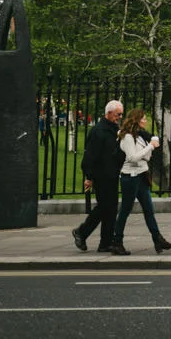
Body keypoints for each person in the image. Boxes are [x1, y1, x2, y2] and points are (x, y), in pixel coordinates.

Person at [111, 109, 171, 255]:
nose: (146, 121)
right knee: (125, 211)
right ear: (137, 120)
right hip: (130, 177)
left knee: (149, 210)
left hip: (141, 175)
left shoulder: (139, 136)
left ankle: (158, 239)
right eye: (144, 119)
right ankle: (117, 241)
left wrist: (151, 145)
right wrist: (151, 146)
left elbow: (149, 152)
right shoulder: (127, 137)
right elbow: (133, 157)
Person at [72, 99, 124, 252]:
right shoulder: (99, 131)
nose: (120, 117)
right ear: (108, 113)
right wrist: (89, 177)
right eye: (117, 114)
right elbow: (90, 156)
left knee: (111, 208)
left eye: (121, 114)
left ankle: (105, 243)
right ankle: (82, 231)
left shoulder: (113, 129)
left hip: (112, 174)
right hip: (101, 175)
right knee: (104, 207)